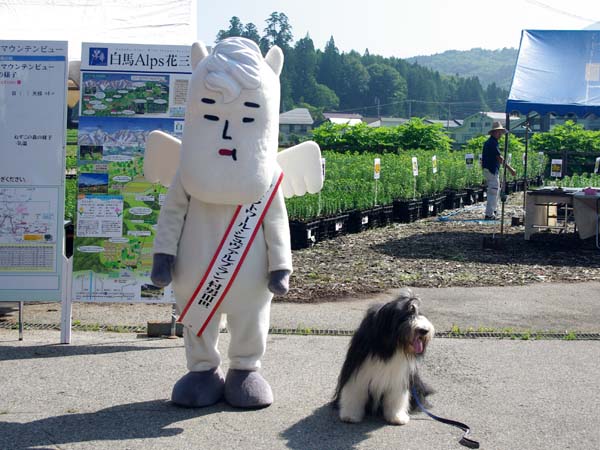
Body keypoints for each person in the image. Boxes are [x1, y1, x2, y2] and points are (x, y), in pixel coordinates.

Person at [481, 121, 516, 220]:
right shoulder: (492, 143)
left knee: (495, 190)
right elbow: (499, 158)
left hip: (490, 169)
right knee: (493, 191)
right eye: (498, 132)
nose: (500, 134)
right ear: (493, 132)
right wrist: (510, 169)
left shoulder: (492, 142)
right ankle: (489, 214)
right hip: (491, 169)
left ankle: (493, 211)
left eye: (501, 132)